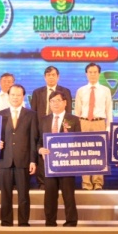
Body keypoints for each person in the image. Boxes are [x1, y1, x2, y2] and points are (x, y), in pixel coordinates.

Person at [0, 84, 38, 226]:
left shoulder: (31, 114)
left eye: (18, 95)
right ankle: (6, 223)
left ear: (23, 96)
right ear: (8, 96)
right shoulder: (0, 114)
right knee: (5, 195)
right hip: (4, 160)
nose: (15, 97)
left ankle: (23, 223)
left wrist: (33, 160)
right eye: (12, 94)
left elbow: (33, 139)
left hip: (23, 160)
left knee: (23, 195)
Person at [39, 92, 80, 226]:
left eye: (58, 100)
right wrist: (40, 149)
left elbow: (78, 141)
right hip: (49, 165)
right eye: (52, 101)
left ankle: (71, 222)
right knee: (50, 195)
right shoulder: (44, 120)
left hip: (67, 165)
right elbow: (37, 141)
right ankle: (50, 222)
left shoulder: (73, 120)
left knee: (68, 195)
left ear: (65, 102)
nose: (55, 103)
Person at [30, 65, 72, 188]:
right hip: (42, 128)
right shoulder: (37, 92)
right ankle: (42, 183)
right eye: (48, 75)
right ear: (45, 77)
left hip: (60, 129)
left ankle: (61, 182)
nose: (51, 77)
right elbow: (33, 113)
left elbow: (69, 112)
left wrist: (65, 129)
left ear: (58, 77)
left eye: (53, 75)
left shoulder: (65, 91)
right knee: (42, 154)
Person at [76, 62, 113, 190]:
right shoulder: (81, 90)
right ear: (86, 74)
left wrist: (108, 127)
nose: (92, 74)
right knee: (84, 153)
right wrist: (76, 127)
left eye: (95, 72)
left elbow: (109, 110)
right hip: (84, 122)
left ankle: (98, 182)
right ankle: (86, 183)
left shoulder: (105, 90)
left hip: (99, 122)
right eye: (90, 72)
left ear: (99, 74)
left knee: (99, 152)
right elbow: (77, 111)